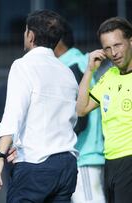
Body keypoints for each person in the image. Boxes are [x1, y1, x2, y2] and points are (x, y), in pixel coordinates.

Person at [0, 10, 78, 202]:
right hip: (67, 166)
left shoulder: (23, 65)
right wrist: (21, 143)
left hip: (35, 166)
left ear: (31, 35)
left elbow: (13, 115)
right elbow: (70, 119)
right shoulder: (66, 72)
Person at [77, 17, 132, 203]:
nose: (113, 53)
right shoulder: (109, 76)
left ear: (131, 41)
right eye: (107, 48)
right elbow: (81, 109)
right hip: (111, 162)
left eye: (118, 45)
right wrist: (89, 70)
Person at [54, 21, 106, 203]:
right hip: (87, 156)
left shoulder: (71, 68)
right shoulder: (82, 63)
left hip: (84, 157)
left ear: (58, 41)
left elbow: (79, 118)